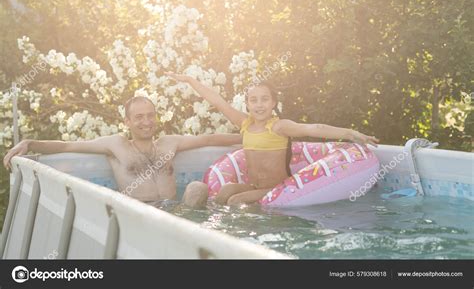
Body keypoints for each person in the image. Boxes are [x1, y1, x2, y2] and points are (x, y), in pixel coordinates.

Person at [166, 72, 379, 206]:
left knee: (235, 200)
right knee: (225, 192)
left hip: (277, 188)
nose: (259, 105)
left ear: (274, 102)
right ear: (247, 104)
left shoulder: (278, 126)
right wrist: (190, 80)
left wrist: (351, 134)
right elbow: (217, 101)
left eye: (264, 99)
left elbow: (314, 128)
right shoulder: (245, 123)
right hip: (253, 185)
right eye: (253, 100)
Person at [3, 96, 241, 208]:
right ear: (127, 121)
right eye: (139, 117)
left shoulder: (169, 142)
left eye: (150, 116)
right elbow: (68, 146)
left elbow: (209, 138)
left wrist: (250, 138)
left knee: (197, 189)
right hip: (138, 212)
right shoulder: (116, 144)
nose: (146, 122)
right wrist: (30, 143)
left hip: (175, 210)